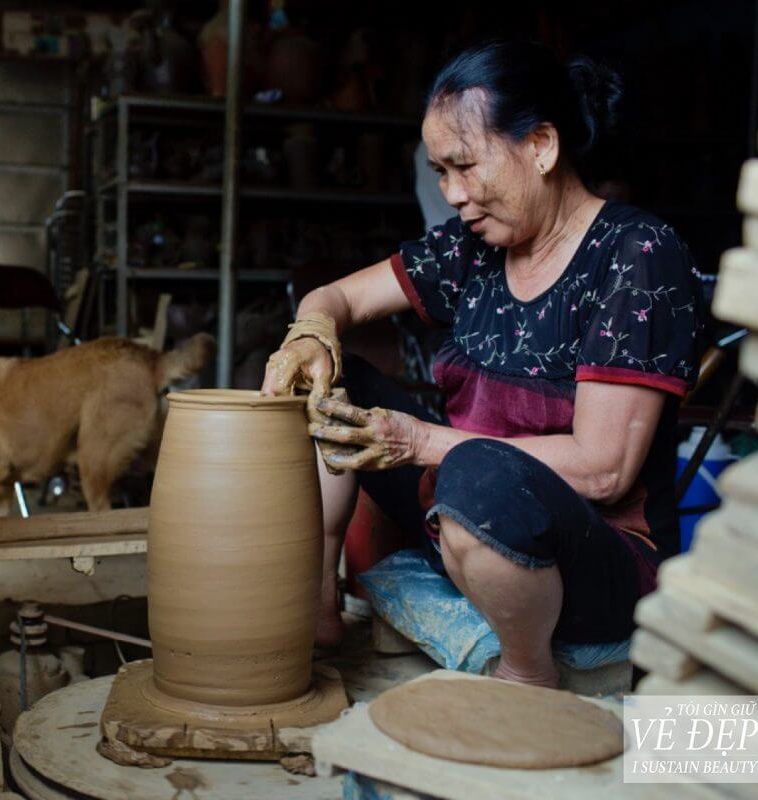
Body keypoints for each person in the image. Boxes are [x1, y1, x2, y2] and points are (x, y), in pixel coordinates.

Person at [261, 41, 700, 687]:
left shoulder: (635, 253)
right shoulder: (475, 245)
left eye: (465, 166)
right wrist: (310, 331)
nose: (454, 194)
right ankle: (319, 603)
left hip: (593, 560)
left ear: (542, 146)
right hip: (465, 508)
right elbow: (342, 296)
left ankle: (528, 676)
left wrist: (419, 442)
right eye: (441, 172)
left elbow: (604, 470)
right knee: (328, 385)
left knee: (476, 478)